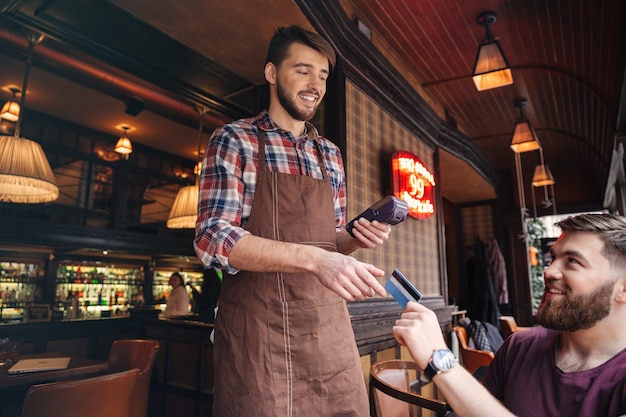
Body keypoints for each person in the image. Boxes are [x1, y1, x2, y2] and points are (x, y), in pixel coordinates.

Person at [193, 25, 390, 417]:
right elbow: (212, 238)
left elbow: (327, 242)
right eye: (303, 70)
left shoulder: (329, 154)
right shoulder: (235, 140)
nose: (315, 84)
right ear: (271, 74)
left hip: (327, 335)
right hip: (257, 342)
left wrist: (352, 238)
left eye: (322, 75)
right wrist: (316, 260)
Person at [393, 213, 626, 417]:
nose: (549, 271)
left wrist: (441, 361)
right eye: (554, 258)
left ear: (623, 288)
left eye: (573, 261)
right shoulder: (519, 346)